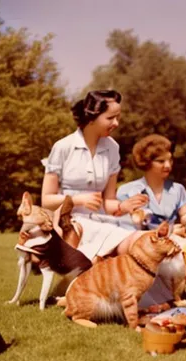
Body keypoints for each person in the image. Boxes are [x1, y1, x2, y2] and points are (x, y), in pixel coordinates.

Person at [41, 90, 144, 261]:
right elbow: (46, 200)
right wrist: (76, 200)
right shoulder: (63, 147)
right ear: (92, 118)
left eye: (118, 117)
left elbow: (108, 201)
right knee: (118, 248)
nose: (116, 123)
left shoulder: (112, 148)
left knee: (142, 243)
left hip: (101, 220)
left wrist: (123, 207)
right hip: (69, 221)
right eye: (110, 118)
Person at [116, 134, 186, 230]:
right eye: (161, 161)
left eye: (170, 160)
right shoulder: (126, 191)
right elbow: (125, 227)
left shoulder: (178, 189)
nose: (168, 165)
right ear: (146, 163)